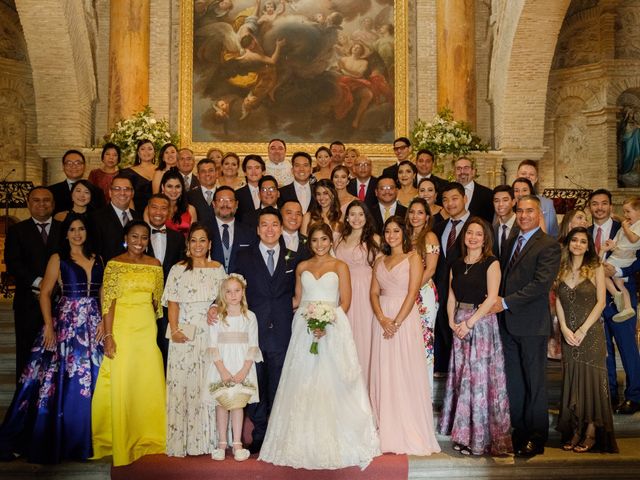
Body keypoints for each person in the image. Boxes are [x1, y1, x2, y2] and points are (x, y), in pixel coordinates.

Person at [259, 223, 380, 469]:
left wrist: (327, 321)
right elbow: (297, 298)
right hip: (304, 329)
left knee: (332, 380)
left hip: (332, 328)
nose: (319, 245)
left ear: (330, 241)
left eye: (324, 239)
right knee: (302, 380)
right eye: (314, 241)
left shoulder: (340, 266)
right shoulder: (302, 266)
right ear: (309, 243)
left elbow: (345, 301)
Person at [0, 214, 103, 463]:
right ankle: (58, 436)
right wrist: (49, 326)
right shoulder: (58, 259)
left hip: (94, 323)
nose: (77, 233)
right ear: (65, 234)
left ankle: (90, 437)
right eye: (72, 229)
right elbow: (45, 293)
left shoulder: (98, 258)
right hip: (67, 323)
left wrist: (103, 321)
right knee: (61, 380)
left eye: (81, 229)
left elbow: (102, 292)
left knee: (96, 378)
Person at [491, 195, 561, 457]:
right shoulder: (511, 241)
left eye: (529, 211)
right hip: (508, 324)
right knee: (515, 382)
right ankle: (519, 432)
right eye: (519, 211)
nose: (523, 216)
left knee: (534, 383)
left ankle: (536, 436)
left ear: (539, 213)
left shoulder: (549, 245)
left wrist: (506, 303)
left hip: (532, 324)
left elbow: (541, 285)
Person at [91, 221, 166, 466]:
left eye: (144, 237)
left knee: (147, 381)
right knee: (124, 382)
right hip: (122, 328)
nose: (139, 241)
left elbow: (157, 302)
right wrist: (110, 335)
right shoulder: (114, 264)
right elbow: (108, 302)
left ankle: (152, 437)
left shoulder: (155, 265)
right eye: (135, 236)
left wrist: (149, 323)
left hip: (146, 330)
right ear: (126, 237)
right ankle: (123, 440)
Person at [438, 218, 512, 456]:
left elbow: (492, 298)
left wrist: (469, 323)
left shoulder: (491, 263)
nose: (472, 237)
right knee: (463, 380)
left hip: (480, 325)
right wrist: (452, 321)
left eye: (478, 234)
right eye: (469, 232)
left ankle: (478, 438)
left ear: (485, 238)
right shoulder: (457, 264)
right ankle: (463, 434)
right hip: (459, 323)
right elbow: (451, 296)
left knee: (478, 382)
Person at [233, 207, 303, 454]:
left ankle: (279, 433)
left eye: (275, 224)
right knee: (257, 383)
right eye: (265, 224)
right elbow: (233, 289)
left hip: (283, 330)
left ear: (282, 228)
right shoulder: (243, 256)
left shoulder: (294, 257)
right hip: (254, 331)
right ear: (258, 229)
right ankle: (260, 434)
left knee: (280, 383)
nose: (270, 229)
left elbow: (299, 292)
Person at [369, 216, 440, 455]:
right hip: (381, 320)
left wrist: (396, 322)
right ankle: (384, 424)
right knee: (384, 370)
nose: (391, 235)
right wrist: (381, 318)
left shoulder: (413, 258)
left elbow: (412, 292)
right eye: (387, 231)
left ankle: (407, 426)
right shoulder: (379, 260)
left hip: (405, 319)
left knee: (404, 369)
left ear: (404, 233)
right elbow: (373, 293)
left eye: (396, 231)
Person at [162, 223, 227, 457]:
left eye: (203, 240)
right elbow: (172, 302)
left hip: (211, 332)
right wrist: (175, 328)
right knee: (185, 385)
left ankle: (212, 439)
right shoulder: (178, 269)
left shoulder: (218, 268)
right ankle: (183, 441)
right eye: (193, 240)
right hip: (185, 332)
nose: (198, 245)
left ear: (209, 244)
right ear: (187, 245)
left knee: (208, 384)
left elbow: (225, 299)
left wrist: (214, 308)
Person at [555, 227, 617, 453]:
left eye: (583, 241)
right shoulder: (560, 268)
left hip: (590, 335)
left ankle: (590, 432)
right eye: (574, 240)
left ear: (589, 245)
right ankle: (575, 430)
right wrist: (563, 327)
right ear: (569, 243)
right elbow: (559, 302)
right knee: (574, 383)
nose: (578, 244)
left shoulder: (596, 267)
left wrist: (582, 330)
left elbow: (601, 302)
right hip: (568, 335)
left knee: (591, 384)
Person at [589, 189, 640, 414]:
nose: (599, 207)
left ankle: (635, 395)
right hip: (594, 300)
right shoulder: (585, 232)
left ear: (611, 206)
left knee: (627, 347)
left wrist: (617, 270)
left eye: (604, 203)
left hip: (621, 295)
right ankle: (608, 393)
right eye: (594, 204)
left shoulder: (627, 228)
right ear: (589, 207)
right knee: (604, 350)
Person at [4, 186, 62, 381]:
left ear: (53, 204)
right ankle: (24, 403)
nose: (41, 204)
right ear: (29, 204)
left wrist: (57, 285)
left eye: (46, 200)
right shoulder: (16, 231)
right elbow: (13, 263)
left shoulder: (65, 229)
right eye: (36, 200)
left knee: (58, 355)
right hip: (27, 304)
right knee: (27, 354)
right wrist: (41, 283)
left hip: (60, 303)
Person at [206, 275, 260, 462]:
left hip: (242, 365)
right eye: (228, 291)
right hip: (222, 365)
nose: (233, 295)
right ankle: (222, 443)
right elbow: (212, 345)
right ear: (223, 294)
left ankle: (237, 442)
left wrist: (244, 371)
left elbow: (253, 345)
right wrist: (222, 370)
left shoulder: (250, 316)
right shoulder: (218, 317)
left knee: (238, 404)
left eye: (237, 290)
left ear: (243, 292)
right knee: (222, 402)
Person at [334, 200, 380, 385]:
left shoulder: (375, 239)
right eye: (352, 214)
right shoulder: (338, 239)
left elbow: (380, 269)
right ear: (346, 217)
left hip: (366, 291)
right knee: (345, 336)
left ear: (366, 216)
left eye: (360, 214)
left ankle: (366, 385)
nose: (356, 218)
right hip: (343, 290)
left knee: (365, 337)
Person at [432, 182, 471, 375]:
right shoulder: (437, 228)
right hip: (441, 293)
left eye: (455, 198)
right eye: (445, 200)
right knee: (443, 338)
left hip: (467, 297)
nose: (450, 203)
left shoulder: (478, 226)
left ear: (465, 198)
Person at [146, 194, 186, 369]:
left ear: (169, 211)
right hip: (143, 302)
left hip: (169, 303)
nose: (158, 212)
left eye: (164, 208)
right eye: (154, 207)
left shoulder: (177, 238)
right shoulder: (137, 234)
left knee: (168, 347)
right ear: (148, 208)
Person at [406, 197, 440, 388]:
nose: (415, 216)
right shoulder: (404, 236)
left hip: (423, 292)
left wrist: (413, 289)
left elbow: (431, 269)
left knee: (423, 341)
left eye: (420, 212)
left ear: (427, 216)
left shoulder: (430, 237)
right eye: (412, 212)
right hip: (404, 292)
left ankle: (424, 388)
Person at [601, 197, 640, 322]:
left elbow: (633, 239)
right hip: (619, 255)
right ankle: (627, 308)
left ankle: (615, 294)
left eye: (628, 211)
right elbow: (619, 240)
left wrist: (625, 227)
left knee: (599, 271)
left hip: (622, 257)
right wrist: (612, 245)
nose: (625, 215)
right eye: (624, 212)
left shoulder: (638, 225)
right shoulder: (628, 225)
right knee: (620, 283)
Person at [90, 174, 142, 263]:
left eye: (127, 189)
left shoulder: (138, 217)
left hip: (135, 272)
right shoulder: (96, 218)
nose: (122, 193)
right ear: (110, 192)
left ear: (132, 193)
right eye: (117, 189)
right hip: (108, 272)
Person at [210, 186, 255, 273]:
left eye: (230, 200)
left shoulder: (249, 232)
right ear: (213, 204)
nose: (225, 204)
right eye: (221, 200)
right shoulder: (203, 229)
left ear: (236, 204)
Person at [49, 150, 105, 214]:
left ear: (84, 166)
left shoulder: (97, 192)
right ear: (63, 166)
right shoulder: (51, 191)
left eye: (78, 163)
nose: (73, 166)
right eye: (69, 163)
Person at [516, 159, 559, 238]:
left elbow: (554, 234)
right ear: (517, 176)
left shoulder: (548, 204)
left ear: (536, 179)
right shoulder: (507, 202)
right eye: (523, 173)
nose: (527, 176)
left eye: (531, 174)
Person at [156, 168, 198, 237]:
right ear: (163, 187)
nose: (174, 191)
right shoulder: (152, 209)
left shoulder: (191, 210)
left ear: (182, 188)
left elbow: (193, 238)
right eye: (169, 186)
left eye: (177, 186)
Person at [454, 157, 493, 223]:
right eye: (458, 168)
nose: (462, 172)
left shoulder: (487, 194)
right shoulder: (446, 192)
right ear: (454, 172)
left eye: (466, 168)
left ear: (473, 171)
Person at [121, 140, 156, 213]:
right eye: (143, 149)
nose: (146, 152)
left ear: (154, 152)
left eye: (150, 149)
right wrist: (133, 216)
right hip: (135, 213)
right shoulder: (127, 173)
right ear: (138, 153)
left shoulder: (161, 171)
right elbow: (127, 196)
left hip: (158, 212)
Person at [187, 158, 218, 235]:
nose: (207, 174)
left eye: (211, 170)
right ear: (198, 175)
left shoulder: (223, 195)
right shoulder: (188, 196)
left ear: (216, 173)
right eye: (203, 171)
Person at [235, 154, 265, 222]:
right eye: (249, 168)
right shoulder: (237, 194)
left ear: (263, 171)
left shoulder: (270, 193)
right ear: (245, 172)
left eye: (257, 167)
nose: (253, 171)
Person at [492, 185, 518, 260]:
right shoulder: (492, 229)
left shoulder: (522, 226)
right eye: (496, 201)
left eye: (505, 200)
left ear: (513, 202)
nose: (500, 204)